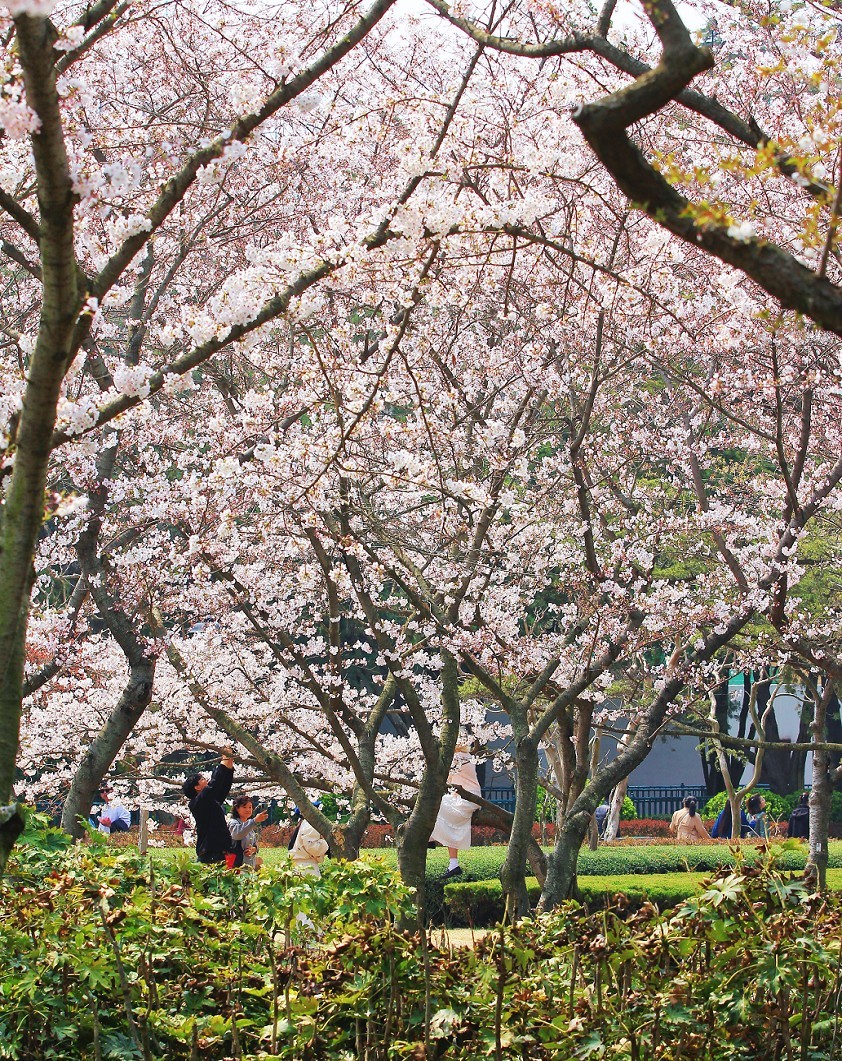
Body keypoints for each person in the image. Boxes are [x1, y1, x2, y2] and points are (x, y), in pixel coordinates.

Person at [430, 744, 481, 879]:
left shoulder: (457, 758)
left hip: (466, 799)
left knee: (438, 804)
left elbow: (446, 779)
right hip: (465, 798)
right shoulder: (467, 756)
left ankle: (431, 838)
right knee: (441, 804)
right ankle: (453, 864)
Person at [183, 748, 236, 864]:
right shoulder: (198, 802)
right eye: (202, 779)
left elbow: (222, 789)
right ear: (196, 787)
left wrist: (229, 766)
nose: (206, 780)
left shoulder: (209, 801)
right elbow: (214, 784)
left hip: (222, 852)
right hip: (210, 854)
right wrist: (224, 761)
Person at [228, 794, 268, 869]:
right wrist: (254, 820)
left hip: (248, 865)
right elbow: (237, 834)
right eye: (244, 807)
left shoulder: (249, 825)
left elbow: (255, 844)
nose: (248, 810)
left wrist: (253, 849)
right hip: (235, 866)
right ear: (237, 808)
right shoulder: (233, 823)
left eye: (250, 807)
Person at [288, 804, 329, 876]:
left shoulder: (304, 823)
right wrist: (327, 843)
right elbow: (312, 847)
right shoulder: (310, 824)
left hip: (301, 864)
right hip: (307, 866)